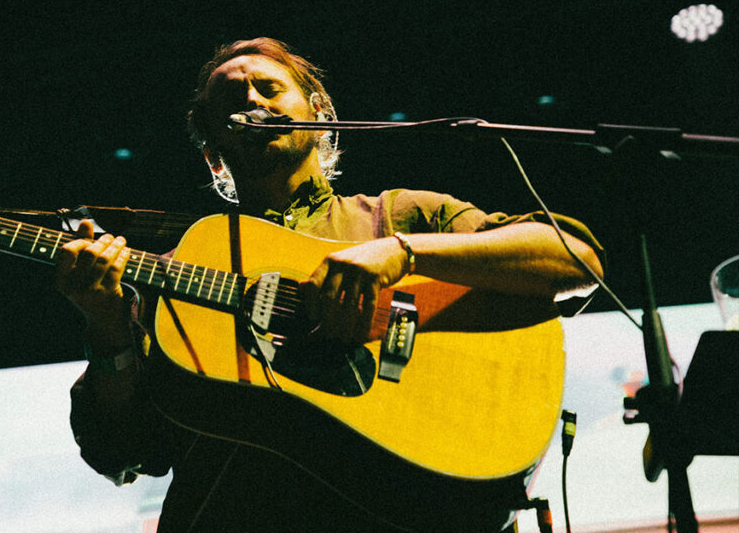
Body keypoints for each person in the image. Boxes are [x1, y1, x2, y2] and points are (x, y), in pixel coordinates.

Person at [56, 38, 604, 532]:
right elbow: (122, 453)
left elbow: (575, 257)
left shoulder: (400, 216)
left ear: (319, 117)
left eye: (269, 87)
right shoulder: (173, 275)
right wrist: (105, 326)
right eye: (230, 99)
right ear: (211, 148)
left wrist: (402, 251)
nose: (251, 100)